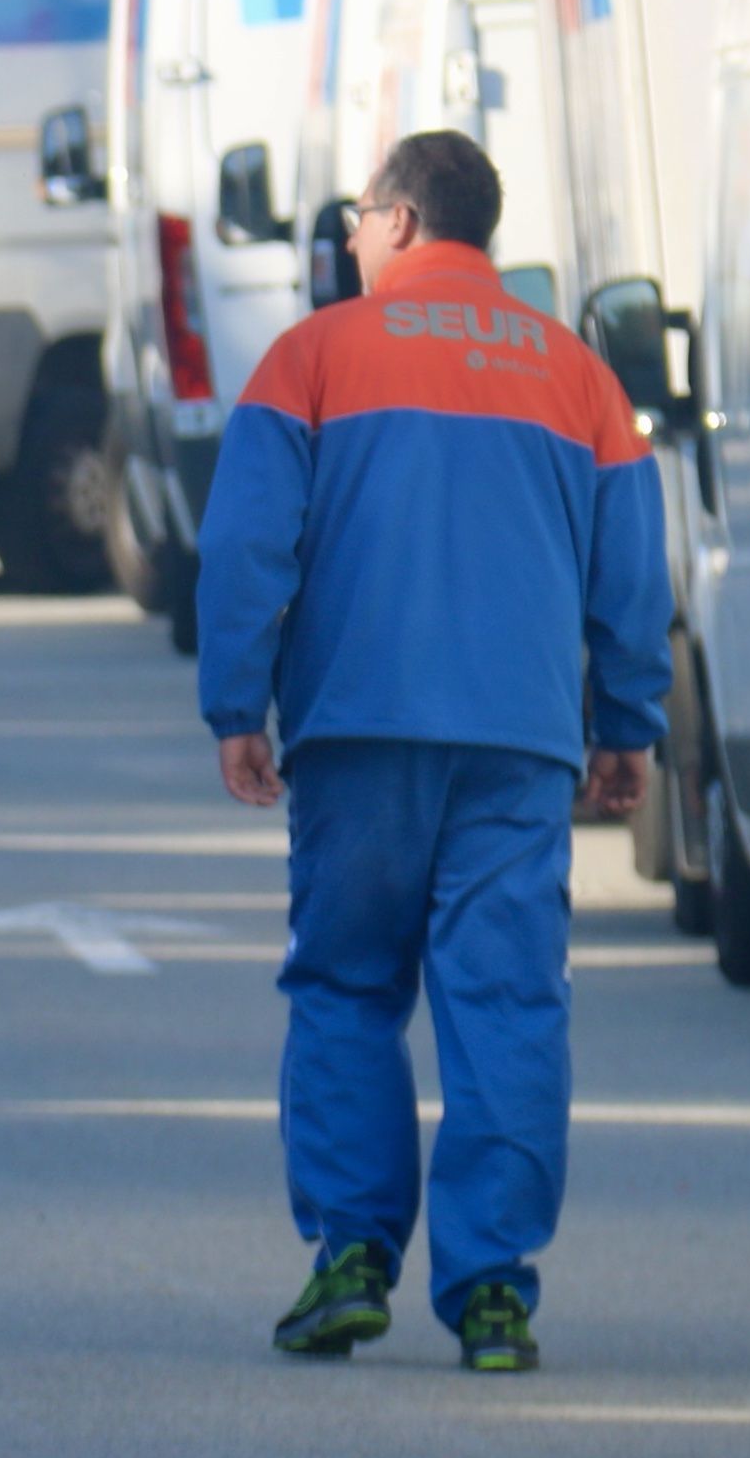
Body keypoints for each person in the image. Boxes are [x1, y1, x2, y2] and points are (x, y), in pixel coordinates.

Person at [193, 129, 670, 1378]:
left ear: (400, 222)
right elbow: (633, 573)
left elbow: (248, 544)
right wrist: (626, 723)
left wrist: (235, 703)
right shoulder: (578, 377)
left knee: (348, 985)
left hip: (357, 733)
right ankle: (496, 1293)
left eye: (357, 218)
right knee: (506, 1001)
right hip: (517, 744)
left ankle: (351, 1254)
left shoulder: (310, 358)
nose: (349, 241)